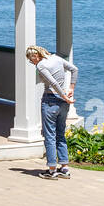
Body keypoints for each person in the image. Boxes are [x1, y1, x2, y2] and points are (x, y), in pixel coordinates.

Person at [25, 45, 77, 180]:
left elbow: (53, 83)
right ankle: (64, 168)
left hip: (50, 101)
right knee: (61, 134)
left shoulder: (41, 65)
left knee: (49, 135)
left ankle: (52, 169)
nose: (32, 63)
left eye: (31, 60)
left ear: (35, 56)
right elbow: (74, 69)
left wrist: (64, 96)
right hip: (64, 103)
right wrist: (71, 88)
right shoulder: (56, 58)